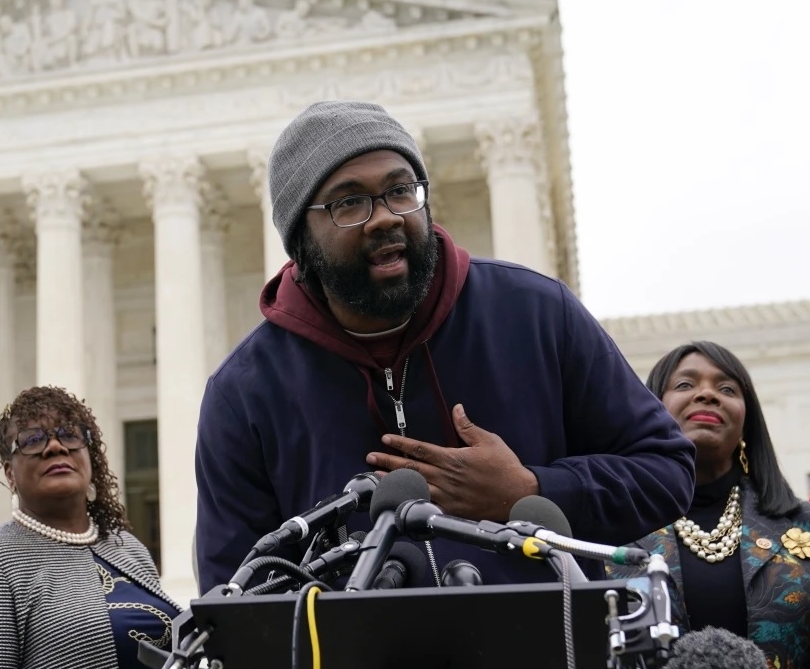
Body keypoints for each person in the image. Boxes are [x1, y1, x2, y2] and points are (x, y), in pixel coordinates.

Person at [195, 100, 695, 592]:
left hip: (546, 659)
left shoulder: (536, 312)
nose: (385, 217)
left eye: (400, 190)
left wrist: (530, 490)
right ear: (301, 238)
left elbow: (666, 470)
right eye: (349, 202)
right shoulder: (244, 392)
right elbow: (234, 595)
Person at [608, 341, 810, 669]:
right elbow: (588, 659)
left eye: (727, 389)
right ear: (653, 410)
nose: (706, 393)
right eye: (685, 385)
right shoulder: (611, 528)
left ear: (746, 419)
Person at [0, 386, 182, 669]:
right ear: (10, 473)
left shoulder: (128, 548)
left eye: (69, 434)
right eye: (32, 440)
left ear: (89, 458)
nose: (55, 446)